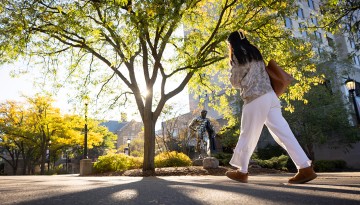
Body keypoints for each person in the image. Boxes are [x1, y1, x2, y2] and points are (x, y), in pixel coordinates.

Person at [225, 29, 317, 184]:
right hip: (270, 96)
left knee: (247, 134)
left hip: (255, 98)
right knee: (284, 133)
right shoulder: (254, 51)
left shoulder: (237, 55)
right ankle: (305, 168)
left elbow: (234, 82)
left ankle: (242, 171)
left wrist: (231, 69)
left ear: (232, 43)